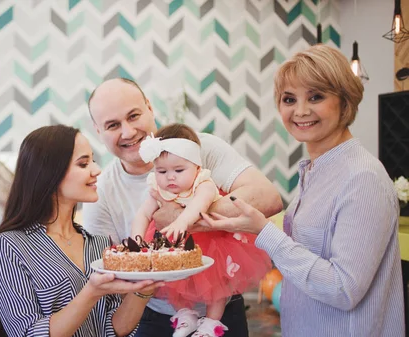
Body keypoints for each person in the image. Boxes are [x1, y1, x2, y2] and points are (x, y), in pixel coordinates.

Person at [201, 44, 405, 336]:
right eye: (288, 99)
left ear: (345, 101)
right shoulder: (314, 171)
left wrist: (265, 233)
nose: (300, 111)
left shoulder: (363, 179)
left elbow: (343, 289)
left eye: (316, 96)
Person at [83, 78, 283, 337]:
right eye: (112, 125)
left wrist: (183, 217)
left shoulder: (200, 148)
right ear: (98, 131)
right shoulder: (101, 192)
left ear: (150, 108)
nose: (128, 132)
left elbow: (268, 197)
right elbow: (107, 269)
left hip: (223, 305)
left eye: (134, 116)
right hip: (151, 314)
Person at [0, 125, 165, 337]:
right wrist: (91, 292)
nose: (96, 170)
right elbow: (28, 333)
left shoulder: (100, 244)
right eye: (83, 164)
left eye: (92, 161)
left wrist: (144, 289)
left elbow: (112, 329)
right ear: (50, 173)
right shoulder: (9, 245)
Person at [130, 123, 272, 336]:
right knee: (175, 281)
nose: (170, 177)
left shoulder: (203, 183)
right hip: (176, 246)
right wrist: (137, 242)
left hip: (213, 244)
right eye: (162, 171)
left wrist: (181, 222)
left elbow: (198, 206)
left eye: (179, 170)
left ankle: (211, 323)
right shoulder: (157, 189)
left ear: (196, 167)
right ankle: (185, 314)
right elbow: (143, 214)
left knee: (217, 285)